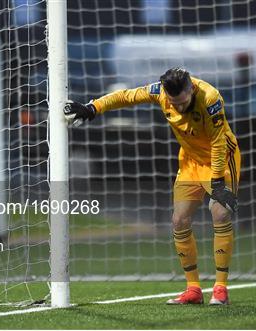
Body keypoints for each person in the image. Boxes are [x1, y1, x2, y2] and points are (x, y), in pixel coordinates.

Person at [64, 68, 240, 305]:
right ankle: (193, 289)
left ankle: (220, 289)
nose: (177, 107)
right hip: (190, 160)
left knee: (219, 213)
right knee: (179, 221)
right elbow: (125, 96)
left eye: (182, 102)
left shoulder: (210, 98)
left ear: (191, 89)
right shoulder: (159, 92)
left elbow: (219, 141)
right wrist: (93, 108)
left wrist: (218, 181)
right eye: (173, 102)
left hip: (220, 159)